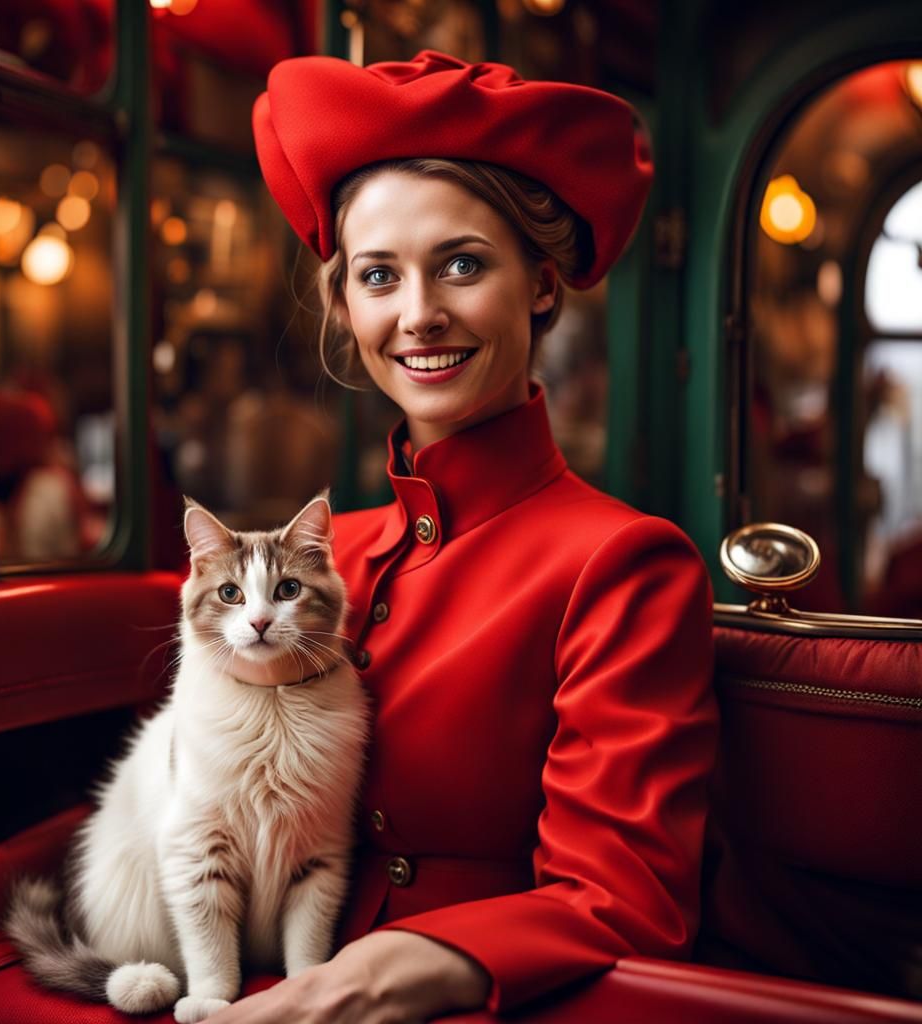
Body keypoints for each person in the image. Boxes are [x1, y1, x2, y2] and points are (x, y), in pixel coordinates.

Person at [209, 49, 718, 1023]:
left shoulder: (622, 565)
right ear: (343, 302)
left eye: (463, 264)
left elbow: (626, 905)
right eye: (377, 276)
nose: (418, 315)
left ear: (538, 283)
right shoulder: (321, 560)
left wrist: (379, 971)